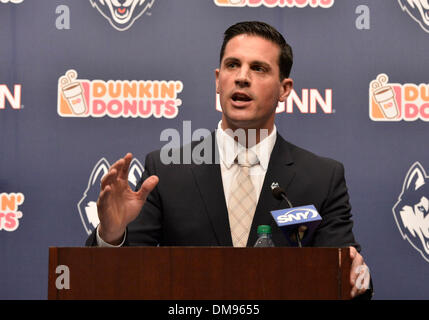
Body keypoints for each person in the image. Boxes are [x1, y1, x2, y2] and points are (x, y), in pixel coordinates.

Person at [86, 21, 372, 299]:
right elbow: (121, 280)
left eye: (258, 68)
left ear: (284, 89)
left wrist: (354, 277)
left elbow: (349, 283)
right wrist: (112, 235)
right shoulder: (167, 170)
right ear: (217, 80)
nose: (242, 77)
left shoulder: (322, 178)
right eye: (232, 65)